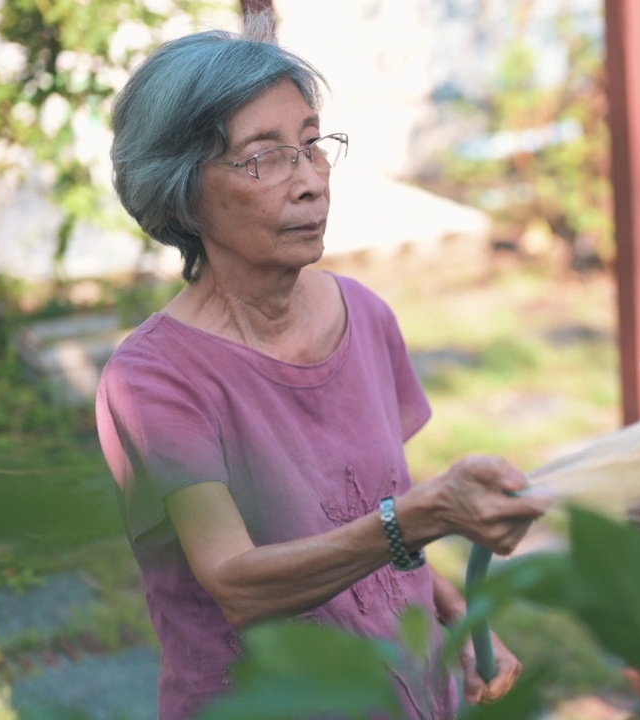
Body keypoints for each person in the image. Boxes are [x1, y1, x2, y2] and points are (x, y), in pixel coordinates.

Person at [94, 15, 551, 720]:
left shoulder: (363, 315)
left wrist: (456, 620)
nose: (310, 180)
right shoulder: (153, 379)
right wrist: (424, 514)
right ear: (183, 192)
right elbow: (238, 584)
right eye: (265, 157)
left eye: (312, 144)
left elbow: (372, 514)